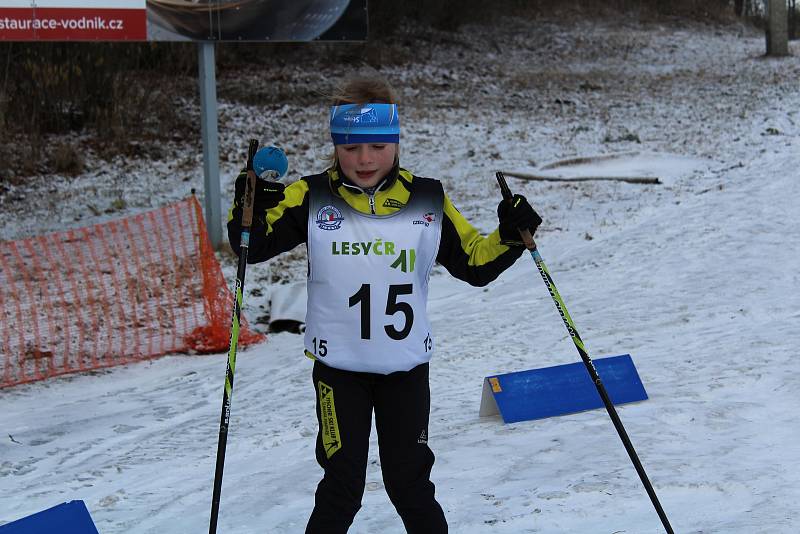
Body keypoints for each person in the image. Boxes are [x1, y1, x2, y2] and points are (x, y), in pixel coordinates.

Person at [227, 76, 542, 534]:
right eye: (351, 147)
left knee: (410, 484)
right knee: (342, 486)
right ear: (336, 146)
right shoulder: (313, 195)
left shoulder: (426, 198)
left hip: (406, 370)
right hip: (339, 372)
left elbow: (474, 261)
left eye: (377, 145)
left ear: (395, 142)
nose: (365, 159)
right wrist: (251, 205)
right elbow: (251, 246)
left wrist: (512, 234)